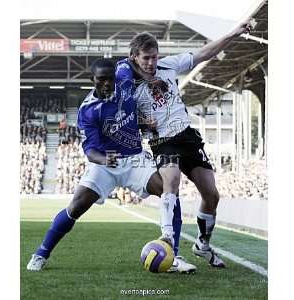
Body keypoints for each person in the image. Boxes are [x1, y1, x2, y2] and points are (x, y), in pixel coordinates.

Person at [26, 58, 196, 273]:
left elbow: (132, 60)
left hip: (134, 159)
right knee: (76, 206)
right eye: (101, 80)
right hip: (104, 164)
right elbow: (90, 150)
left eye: (110, 79)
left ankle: (173, 255)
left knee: (168, 190)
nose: (107, 83)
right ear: (92, 80)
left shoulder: (123, 76)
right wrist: (105, 160)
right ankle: (41, 253)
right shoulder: (88, 110)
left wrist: (150, 78)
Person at [116, 21, 252, 268]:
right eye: (146, 58)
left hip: (187, 136)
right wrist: (140, 121)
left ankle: (202, 244)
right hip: (162, 141)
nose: (151, 63)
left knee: (211, 195)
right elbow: (119, 120)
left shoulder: (168, 66)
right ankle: (167, 237)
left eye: (154, 57)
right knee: (172, 180)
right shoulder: (127, 87)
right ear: (134, 58)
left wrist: (233, 32)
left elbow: (204, 53)